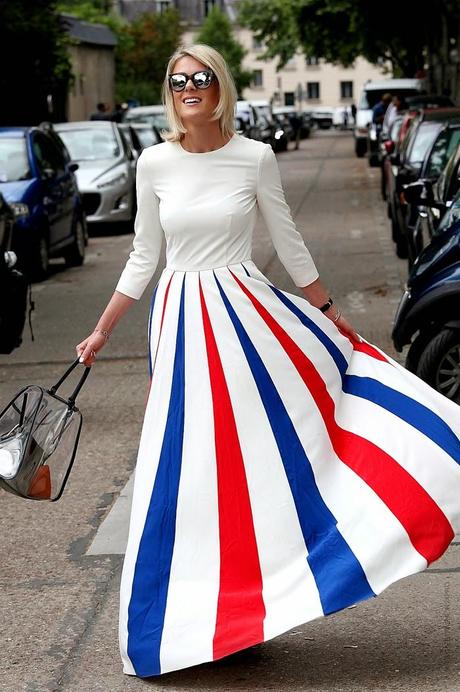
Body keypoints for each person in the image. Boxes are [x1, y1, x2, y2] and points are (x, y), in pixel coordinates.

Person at [76, 44, 460, 679]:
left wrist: (331, 312)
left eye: (199, 78)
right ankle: (190, 621)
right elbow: (144, 256)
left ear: (219, 87)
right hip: (181, 321)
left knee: (259, 464)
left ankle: (262, 602)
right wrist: (100, 330)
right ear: (170, 92)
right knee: (187, 468)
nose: (188, 88)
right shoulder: (153, 163)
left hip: (247, 316)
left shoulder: (255, 157)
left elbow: (290, 240)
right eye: (178, 81)